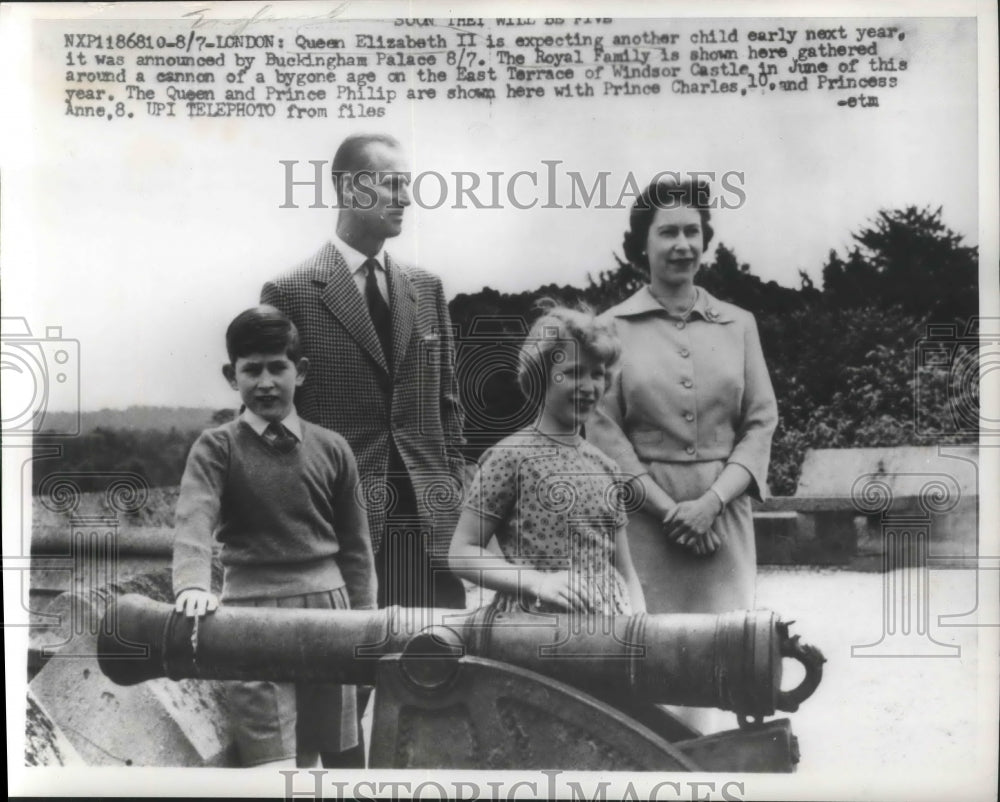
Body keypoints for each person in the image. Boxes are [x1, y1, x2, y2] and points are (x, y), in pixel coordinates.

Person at [261, 133, 467, 612]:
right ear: (351, 190)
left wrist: (452, 488)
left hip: (430, 531)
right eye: (393, 185)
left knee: (439, 668)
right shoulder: (291, 292)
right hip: (341, 530)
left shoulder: (426, 288)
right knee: (354, 673)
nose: (407, 198)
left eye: (407, 184)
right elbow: (273, 422)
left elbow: (449, 406)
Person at [172, 305, 376, 768]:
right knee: (272, 762)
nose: (265, 382)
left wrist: (365, 632)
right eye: (252, 370)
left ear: (299, 371)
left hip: (330, 615)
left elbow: (357, 548)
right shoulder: (217, 447)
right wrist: (191, 584)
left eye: (277, 367)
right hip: (251, 616)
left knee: (337, 754)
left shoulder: (332, 447)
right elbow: (193, 518)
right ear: (232, 375)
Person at [587, 177, 778, 617]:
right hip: (644, 517)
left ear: (705, 240)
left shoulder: (739, 324)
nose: (682, 245)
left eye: (692, 231)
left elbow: (761, 422)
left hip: (724, 512)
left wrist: (710, 504)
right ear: (642, 244)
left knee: (729, 643)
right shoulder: (609, 329)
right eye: (668, 232)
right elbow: (603, 432)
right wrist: (673, 513)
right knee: (652, 647)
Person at [449, 301, 646, 617]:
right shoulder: (509, 458)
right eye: (572, 373)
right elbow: (462, 553)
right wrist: (536, 582)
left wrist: (640, 628)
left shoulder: (606, 467)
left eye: (597, 374)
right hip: (534, 624)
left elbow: (626, 572)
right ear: (540, 377)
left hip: (607, 627)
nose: (588, 386)